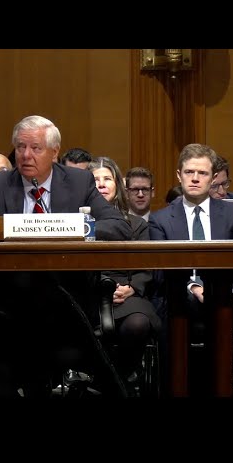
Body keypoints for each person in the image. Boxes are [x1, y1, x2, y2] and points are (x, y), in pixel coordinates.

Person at [0, 115, 132, 397]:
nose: (25, 155)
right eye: (20, 147)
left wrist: (73, 228)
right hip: (2, 296)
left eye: (35, 148)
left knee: (43, 336)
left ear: (54, 152)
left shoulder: (79, 181)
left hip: (61, 297)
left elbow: (119, 226)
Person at [149, 144, 233, 394]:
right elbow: (161, 270)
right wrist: (194, 286)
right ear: (179, 175)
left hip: (227, 297)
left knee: (223, 305)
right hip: (177, 298)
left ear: (212, 179)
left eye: (202, 173)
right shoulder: (161, 219)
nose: (195, 178)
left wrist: (232, 292)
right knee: (169, 304)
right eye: (189, 172)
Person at [87, 157, 161, 383]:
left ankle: (110, 382)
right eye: (95, 179)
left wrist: (131, 287)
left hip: (126, 292)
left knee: (138, 324)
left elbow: (147, 267)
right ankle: (113, 385)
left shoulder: (137, 224)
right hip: (86, 291)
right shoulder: (75, 223)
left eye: (107, 178)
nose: (101, 184)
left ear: (118, 185)